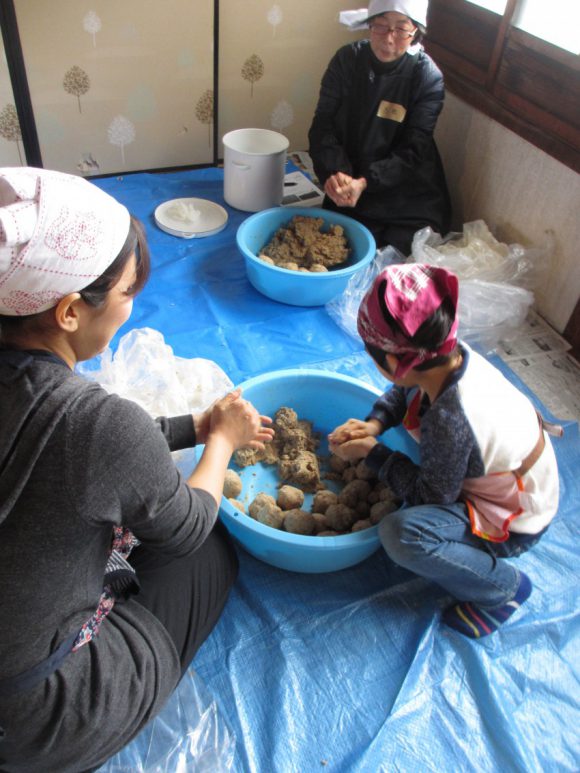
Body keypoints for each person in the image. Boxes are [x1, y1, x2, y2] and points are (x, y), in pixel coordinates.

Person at [0, 166, 274, 772]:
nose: (132, 308)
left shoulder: (75, 421)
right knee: (208, 555)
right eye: (128, 293)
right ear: (70, 311)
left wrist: (190, 428)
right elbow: (187, 527)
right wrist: (223, 443)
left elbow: (92, 455)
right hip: (33, 718)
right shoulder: (95, 425)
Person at [328, 263, 560, 639]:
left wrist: (374, 454)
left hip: (516, 519)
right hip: (517, 477)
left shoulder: (450, 421)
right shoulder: (444, 356)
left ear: (390, 362)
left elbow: (428, 497)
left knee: (403, 534)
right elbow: (405, 388)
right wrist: (375, 423)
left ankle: (501, 589)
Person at [308, 0, 451, 256]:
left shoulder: (427, 77)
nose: (388, 39)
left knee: (393, 258)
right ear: (369, 24)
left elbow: (414, 149)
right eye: (381, 26)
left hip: (406, 191)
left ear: (415, 32)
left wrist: (366, 183)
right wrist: (335, 173)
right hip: (349, 179)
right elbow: (323, 124)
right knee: (337, 249)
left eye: (400, 30)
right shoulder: (347, 60)